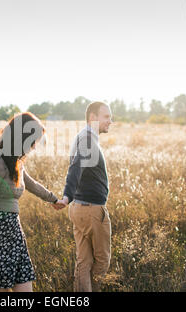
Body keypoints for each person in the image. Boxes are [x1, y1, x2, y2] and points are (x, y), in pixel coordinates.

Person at [0, 112, 66, 292]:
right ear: (21, 139)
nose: (33, 148)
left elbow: (30, 183)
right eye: (32, 142)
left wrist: (53, 199)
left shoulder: (14, 162)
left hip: (14, 235)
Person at [61, 101, 113, 292]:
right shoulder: (88, 140)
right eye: (106, 117)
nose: (110, 121)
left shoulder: (83, 137)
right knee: (102, 261)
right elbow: (76, 167)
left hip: (79, 208)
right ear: (93, 118)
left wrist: (69, 198)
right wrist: (67, 195)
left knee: (84, 262)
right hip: (92, 210)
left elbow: (77, 167)